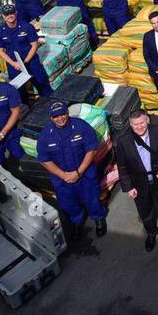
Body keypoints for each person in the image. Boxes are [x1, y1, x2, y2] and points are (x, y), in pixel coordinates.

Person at [36, 101, 107, 240]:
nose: (60, 118)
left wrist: (78, 172)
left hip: (84, 175)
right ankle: (77, 221)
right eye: (56, 116)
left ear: (67, 113)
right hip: (63, 180)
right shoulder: (46, 135)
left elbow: (91, 150)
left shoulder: (80, 126)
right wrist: (63, 175)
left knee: (92, 199)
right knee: (68, 203)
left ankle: (98, 218)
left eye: (62, 114)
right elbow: (44, 160)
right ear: (51, 118)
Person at [114, 108, 158, 251]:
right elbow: (122, 167)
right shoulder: (123, 141)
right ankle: (151, 233)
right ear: (130, 125)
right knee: (145, 212)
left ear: (147, 121)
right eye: (136, 124)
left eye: (142, 123)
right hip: (139, 183)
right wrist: (128, 187)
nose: (139, 127)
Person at [0, 5, 53, 97]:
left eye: (12, 13)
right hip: (14, 64)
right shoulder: (0, 32)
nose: (10, 16)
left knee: (41, 82)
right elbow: (0, 51)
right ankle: (26, 107)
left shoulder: (27, 27)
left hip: (30, 60)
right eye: (7, 14)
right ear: (3, 16)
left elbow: (34, 45)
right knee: (19, 89)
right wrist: (14, 64)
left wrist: (25, 62)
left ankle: (49, 100)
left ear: (16, 12)